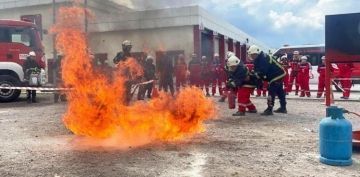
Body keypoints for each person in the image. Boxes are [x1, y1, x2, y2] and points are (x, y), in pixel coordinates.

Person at [248, 45, 287, 116]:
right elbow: (257, 70)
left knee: (272, 90)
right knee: (279, 91)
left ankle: (269, 109)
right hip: (276, 74)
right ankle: (283, 108)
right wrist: (254, 73)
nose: (252, 56)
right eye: (251, 55)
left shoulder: (263, 58)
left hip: (277, 74)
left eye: (253, 55)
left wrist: (255, 76)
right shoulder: (258, 58)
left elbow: (262, 72)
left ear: (256, 53)